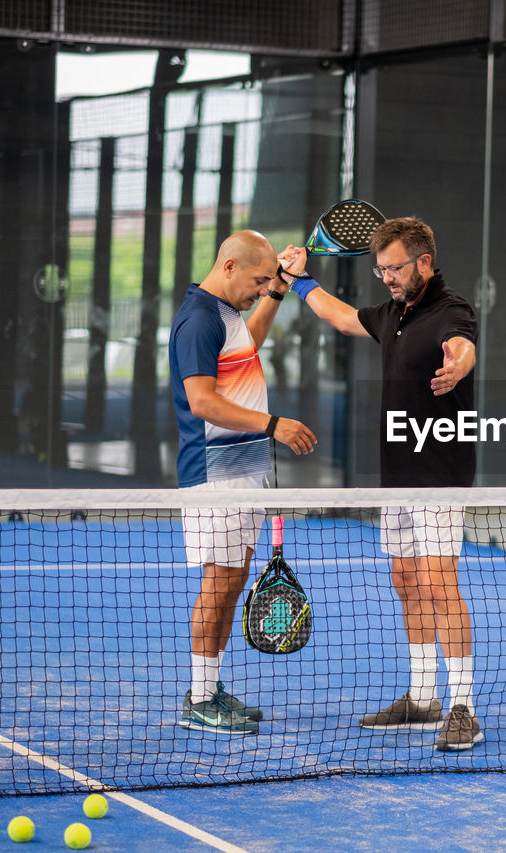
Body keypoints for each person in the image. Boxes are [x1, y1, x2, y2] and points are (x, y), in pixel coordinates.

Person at [277, 216, 481, 751]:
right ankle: (421, 698)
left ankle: (463, 708)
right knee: (406, 581)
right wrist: (300, 281)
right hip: (398, 475)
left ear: (424, 264)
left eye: (394, 269)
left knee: (440, 584)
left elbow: (462, 347)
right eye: (380, 269)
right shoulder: (392, 312)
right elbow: (342, 317)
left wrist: (456, 368)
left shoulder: (450, 308)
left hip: (440, 475)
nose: (386, 278)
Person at [169, 230, 317, 735]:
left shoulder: (226, 314)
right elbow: (203, 402)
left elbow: (249, 343)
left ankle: (210, 690)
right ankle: (198, 698)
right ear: (229, 267)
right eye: (256, 280)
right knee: (220, 582)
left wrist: (279, 288)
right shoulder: (198, 319)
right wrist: (276, 425)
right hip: (217, 472)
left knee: (232, 582)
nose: (259, 288)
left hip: (243, 467)